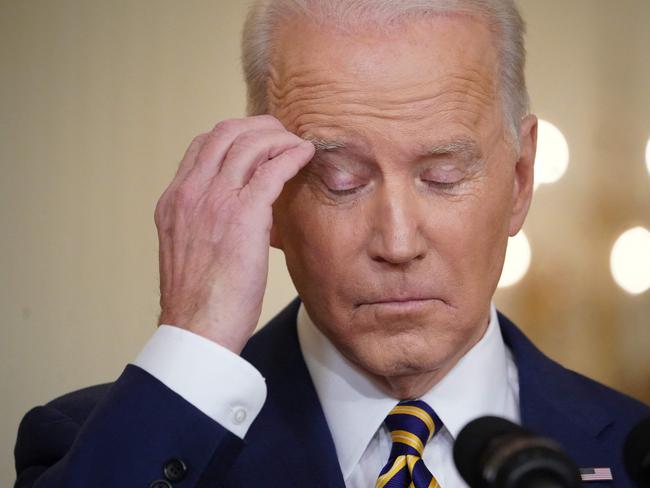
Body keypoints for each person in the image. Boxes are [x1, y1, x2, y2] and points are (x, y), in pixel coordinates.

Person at [14, 1, 648, 487]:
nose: (397, 243)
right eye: (339, 181)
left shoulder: (632, 449)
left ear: (519, 179)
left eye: (442, 176)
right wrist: (194, 341)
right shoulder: (93, 444)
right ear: (271, 193)